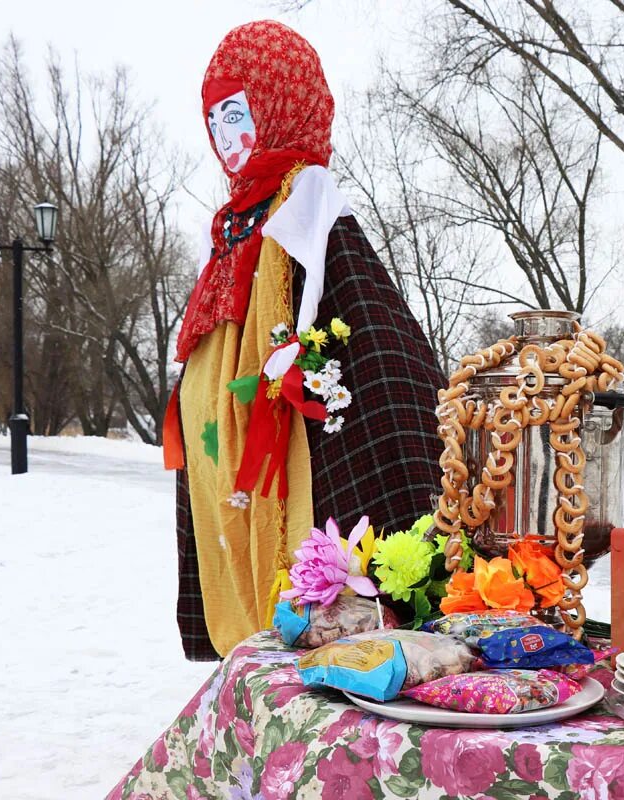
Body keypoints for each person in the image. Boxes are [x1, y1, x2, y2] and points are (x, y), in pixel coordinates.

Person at [165, 21, 444, 661]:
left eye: (239, 116)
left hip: (295, 475)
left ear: (282, 107)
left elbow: (376, 364)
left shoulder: (309, 210)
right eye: (216, 122)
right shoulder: (234, 233)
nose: (227, 140)